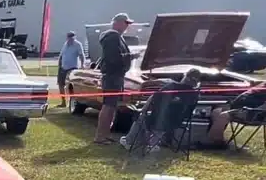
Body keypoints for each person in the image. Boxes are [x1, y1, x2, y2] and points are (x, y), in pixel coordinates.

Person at [205, 57, 266, 146]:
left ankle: (209, 142)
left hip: (253, 113)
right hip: (242, 108)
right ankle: (218, 141)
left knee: (223, 116)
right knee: (216, 111)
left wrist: (251, 111)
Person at [119, 68, 202, 154]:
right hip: (177, 123)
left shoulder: (172, 86)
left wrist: (143, 110)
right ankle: (153, 144)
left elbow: (153, 98)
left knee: (143, 117)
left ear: (185, 76)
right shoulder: (195, 95)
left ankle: (129, 141)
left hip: (157, 120)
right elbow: (190, 112)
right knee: (166, 119)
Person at [93, 13, 140, 145]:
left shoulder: (117, 37)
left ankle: (105, 134)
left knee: (112, 106)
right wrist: (130, 56)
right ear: (118, 23)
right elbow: (113, 57)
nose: (127, 27)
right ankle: (100, 136)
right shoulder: (112, 37)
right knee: (108, 106)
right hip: (112, 76)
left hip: (116, 75)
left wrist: (128, 56)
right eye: (126, 23)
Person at [57, 31, 85, 108]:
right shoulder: (65, 44)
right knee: (60, 84)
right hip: (63, 67)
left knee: (71, 86)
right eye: (68, 37)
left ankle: (72, 102)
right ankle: (63, 102)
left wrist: (82, 65)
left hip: (72, 68)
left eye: (71, 37)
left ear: (74, 37)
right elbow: (62, 54)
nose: (70, 39)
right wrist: (59, 63)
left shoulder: (77, 44)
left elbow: (81, 55)